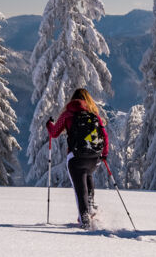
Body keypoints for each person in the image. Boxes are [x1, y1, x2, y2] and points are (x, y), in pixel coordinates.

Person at [47, 88, 110, 229]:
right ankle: (91, 211)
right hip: (94, 158)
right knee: (88, 179)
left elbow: (54, 132)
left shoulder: (68, 114)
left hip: (76, 158)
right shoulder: (93, 114)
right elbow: (104, 136)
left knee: (79, 190)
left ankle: (85, 220)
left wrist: (48, 124)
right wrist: (104, 154)